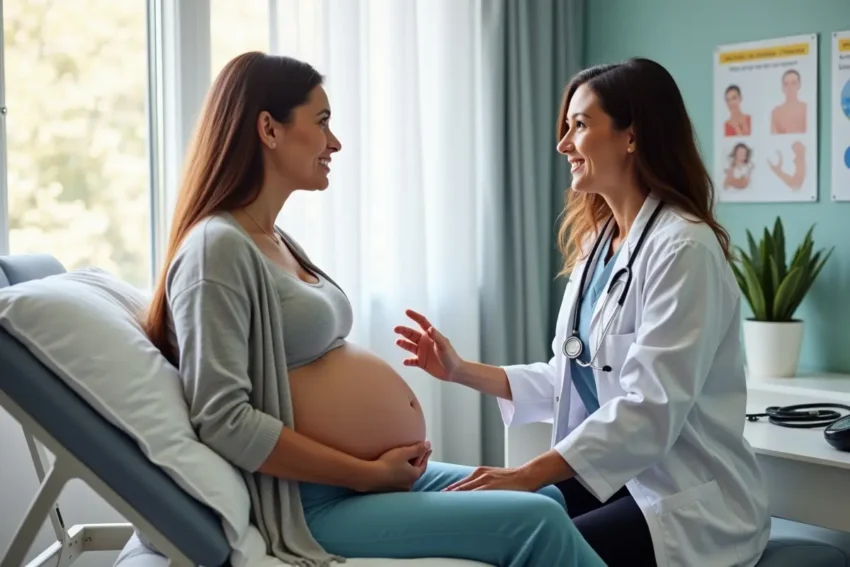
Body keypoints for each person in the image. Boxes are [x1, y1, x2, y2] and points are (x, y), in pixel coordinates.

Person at [141, 51, 605, 567]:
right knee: (534, 520)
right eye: (322, 123)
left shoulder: (275, 239)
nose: (335, 142)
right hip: (316, 500)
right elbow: (224, 420)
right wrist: (365, 473)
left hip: (363, 481)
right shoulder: (217, 250)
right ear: (269, 129)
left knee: (542, 498)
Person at [394, 57, 772, 567]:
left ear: (631, 136)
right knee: (488, 529)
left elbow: (648, 408)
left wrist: (529, 473)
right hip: (619, 482)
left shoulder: (684, 248)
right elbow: (570, 378)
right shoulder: (599, 246)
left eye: (579, 125)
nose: (563, 144)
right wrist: (461, 371)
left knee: (528, 546)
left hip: (684, 499)